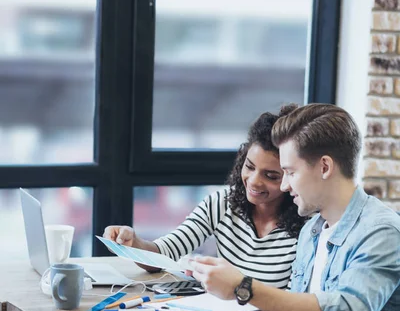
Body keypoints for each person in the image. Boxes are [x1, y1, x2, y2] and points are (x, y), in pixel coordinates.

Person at [190, 103, 400, 311]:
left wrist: (244, 287)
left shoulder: (382, 232)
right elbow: (296, 310)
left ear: (325, 167)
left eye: (289, 171)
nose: (285, 186)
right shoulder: (311, 232)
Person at [104, 105, 305, 287]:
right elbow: (165, 253)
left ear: (291, 175)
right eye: (249, 167)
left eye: (271, 176)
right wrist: (134, 244)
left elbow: (297, 302)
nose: (253, 181)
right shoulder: (223, 202)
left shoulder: (307, 224)